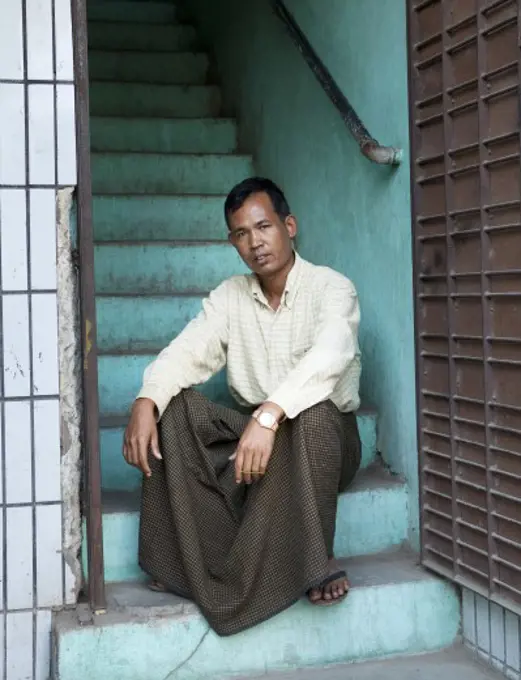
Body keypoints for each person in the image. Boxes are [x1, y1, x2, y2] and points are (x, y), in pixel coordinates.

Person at [123, 177, 362, 636]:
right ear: (233, 242)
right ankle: (178, 560)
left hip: (323, 435)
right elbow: (188, 350)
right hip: (252, 439)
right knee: (174, 409)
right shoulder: (231, 295)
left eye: (264, 227)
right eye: (241, 234)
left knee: (312, 415)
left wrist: (271, 415)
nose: (255, 243)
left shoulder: (332, 288)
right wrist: (145, 400)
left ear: (288, 226)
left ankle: (314, 561)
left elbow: (331, 354)